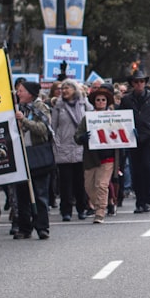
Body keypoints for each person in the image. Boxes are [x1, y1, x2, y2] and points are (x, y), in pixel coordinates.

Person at [118, 69, 150, 213]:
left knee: (147, 168)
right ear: (132, 83)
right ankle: (140, 200)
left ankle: (147, 200)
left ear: (145, 83)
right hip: (133, 138)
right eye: (136, 81)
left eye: (141, 81)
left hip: (149, 138)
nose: (139, 84)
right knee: (136, 170)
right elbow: (121, 117)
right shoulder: (126, 99)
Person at [14, 81, 53, 240]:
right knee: (22, 194)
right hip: (22, 155)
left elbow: (43, 129)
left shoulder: (40, 108)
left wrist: (24, 121)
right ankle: (24, 227)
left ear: (30, 93)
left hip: (38, 155)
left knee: (40, 193)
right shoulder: (16, 109)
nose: (18, 93)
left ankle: (42, 227)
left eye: (21, 91)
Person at [75, 85, 118, 223]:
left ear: (107, 102)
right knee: (89, 186)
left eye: (103, 100)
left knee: (102, 184)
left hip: (108, 156)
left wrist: (130, 135)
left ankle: (100, 211)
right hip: (91, 157)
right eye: (98, 100)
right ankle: (101, 203)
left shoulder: (115, 117)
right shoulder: (87, 118)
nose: (100, 102)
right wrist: (82, 138)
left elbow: (123, 132)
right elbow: (77, 135)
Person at [50, 79, 91, 221]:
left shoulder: (83, 103)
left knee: (80, 181)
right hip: (64, 147)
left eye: (67, 88)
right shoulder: (58, 106)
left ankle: (82, 208)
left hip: (80, 146)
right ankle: (65, 210)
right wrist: (56, 144)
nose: (64, 91)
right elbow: (53, 127)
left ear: (75, 90)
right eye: (62, 88)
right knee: (65, 182)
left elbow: (92, 118)